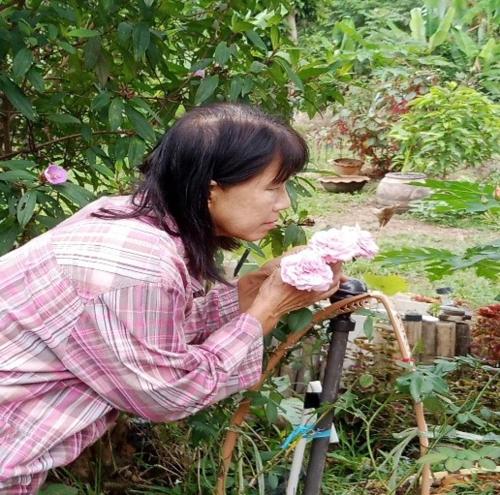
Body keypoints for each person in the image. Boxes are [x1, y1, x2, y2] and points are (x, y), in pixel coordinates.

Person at [0, 103, 342, 494]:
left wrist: (251, 291)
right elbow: (166, 393)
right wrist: (267, 310)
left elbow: (154, 333)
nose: (284, 204)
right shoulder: (134, 264)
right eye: (273, 186)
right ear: (211, 189)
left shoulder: (130, 222)